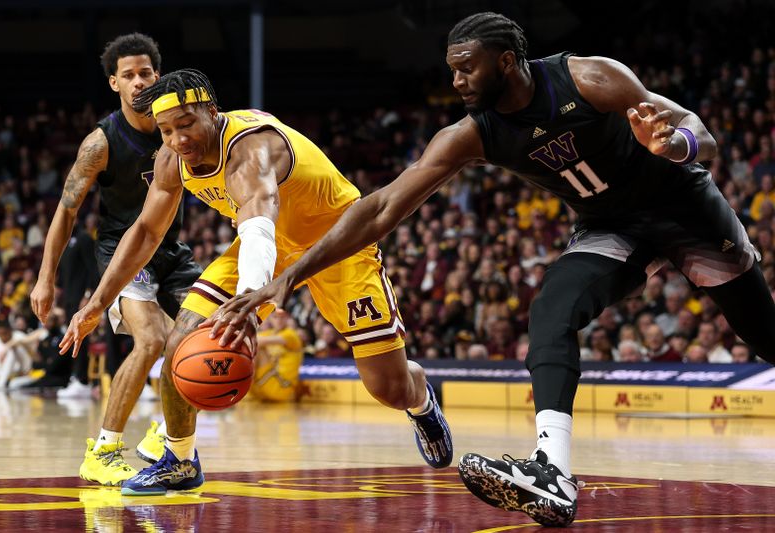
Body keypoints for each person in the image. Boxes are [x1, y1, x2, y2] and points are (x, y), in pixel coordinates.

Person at [216, 12, 775, 527]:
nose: (456, 80)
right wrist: (291, 273)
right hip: (611, 226)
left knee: (763, 334)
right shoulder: (472, 133)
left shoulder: (588, 78)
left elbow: (703, 133)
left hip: (685, 210)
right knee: (552, 310)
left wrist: (673, 144)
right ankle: (552, 471)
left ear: (506, 61)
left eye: (466, 68)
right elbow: (381, 208)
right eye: (451, 69)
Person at [59, 68, 453, 496]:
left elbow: (259, 227)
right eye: (167, 130)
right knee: (180, 342)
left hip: (339, 243)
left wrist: (249, 297)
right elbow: (146, 232)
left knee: (388, 388)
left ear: (212, 111)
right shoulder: (171, 158)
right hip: (268, 242)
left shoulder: (251, 149)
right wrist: (99, 301)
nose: (178, 139)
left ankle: (421, 402)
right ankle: (181, 460)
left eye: (187, 124)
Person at [30, 34, 202, 487]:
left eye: (146, 72)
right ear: (114, 83)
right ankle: (103, 450)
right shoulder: (100, 143)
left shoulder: (179, 128)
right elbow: (67, 209)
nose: (139, 81)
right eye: (128, 74)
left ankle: (164, 436)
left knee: (209, 338)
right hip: (122, 255)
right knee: (151, 341)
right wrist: (45, 278)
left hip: (172, 252)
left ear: (158, 77)